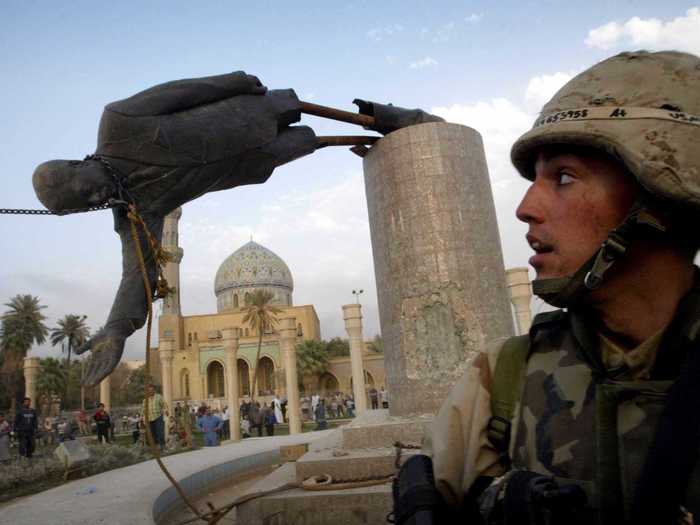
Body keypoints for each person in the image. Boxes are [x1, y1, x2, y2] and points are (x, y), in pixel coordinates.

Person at [422, 50, 700, 524]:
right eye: (535, 179)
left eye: (565, 177)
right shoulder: (503, 378)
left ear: (661, 196)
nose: (526, 207)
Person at [30, 73, 318, 388]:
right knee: (311, 141)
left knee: (298, 107)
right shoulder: (133, 212)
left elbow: (181, 93)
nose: (97, 197)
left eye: (87, 188)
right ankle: (353, 136)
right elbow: (137, 272)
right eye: (87, 203)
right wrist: (116, 328)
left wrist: (236, 82)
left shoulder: (117, 123)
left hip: (238, 115)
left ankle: (365, 118)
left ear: (77, 164)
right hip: (250, 161)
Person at [143, 383, 168, 451]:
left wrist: (165, 410)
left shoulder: (159, 397)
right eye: (149, 390)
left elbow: (164, 404)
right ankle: (156, 448)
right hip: (150, 419)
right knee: (152, 434)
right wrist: (143, 419)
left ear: (154, 390)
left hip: (158, 417)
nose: (150, 391)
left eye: (152, 390)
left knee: (160, 432)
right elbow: (143, 410)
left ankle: (163, 446)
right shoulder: (145, 400)